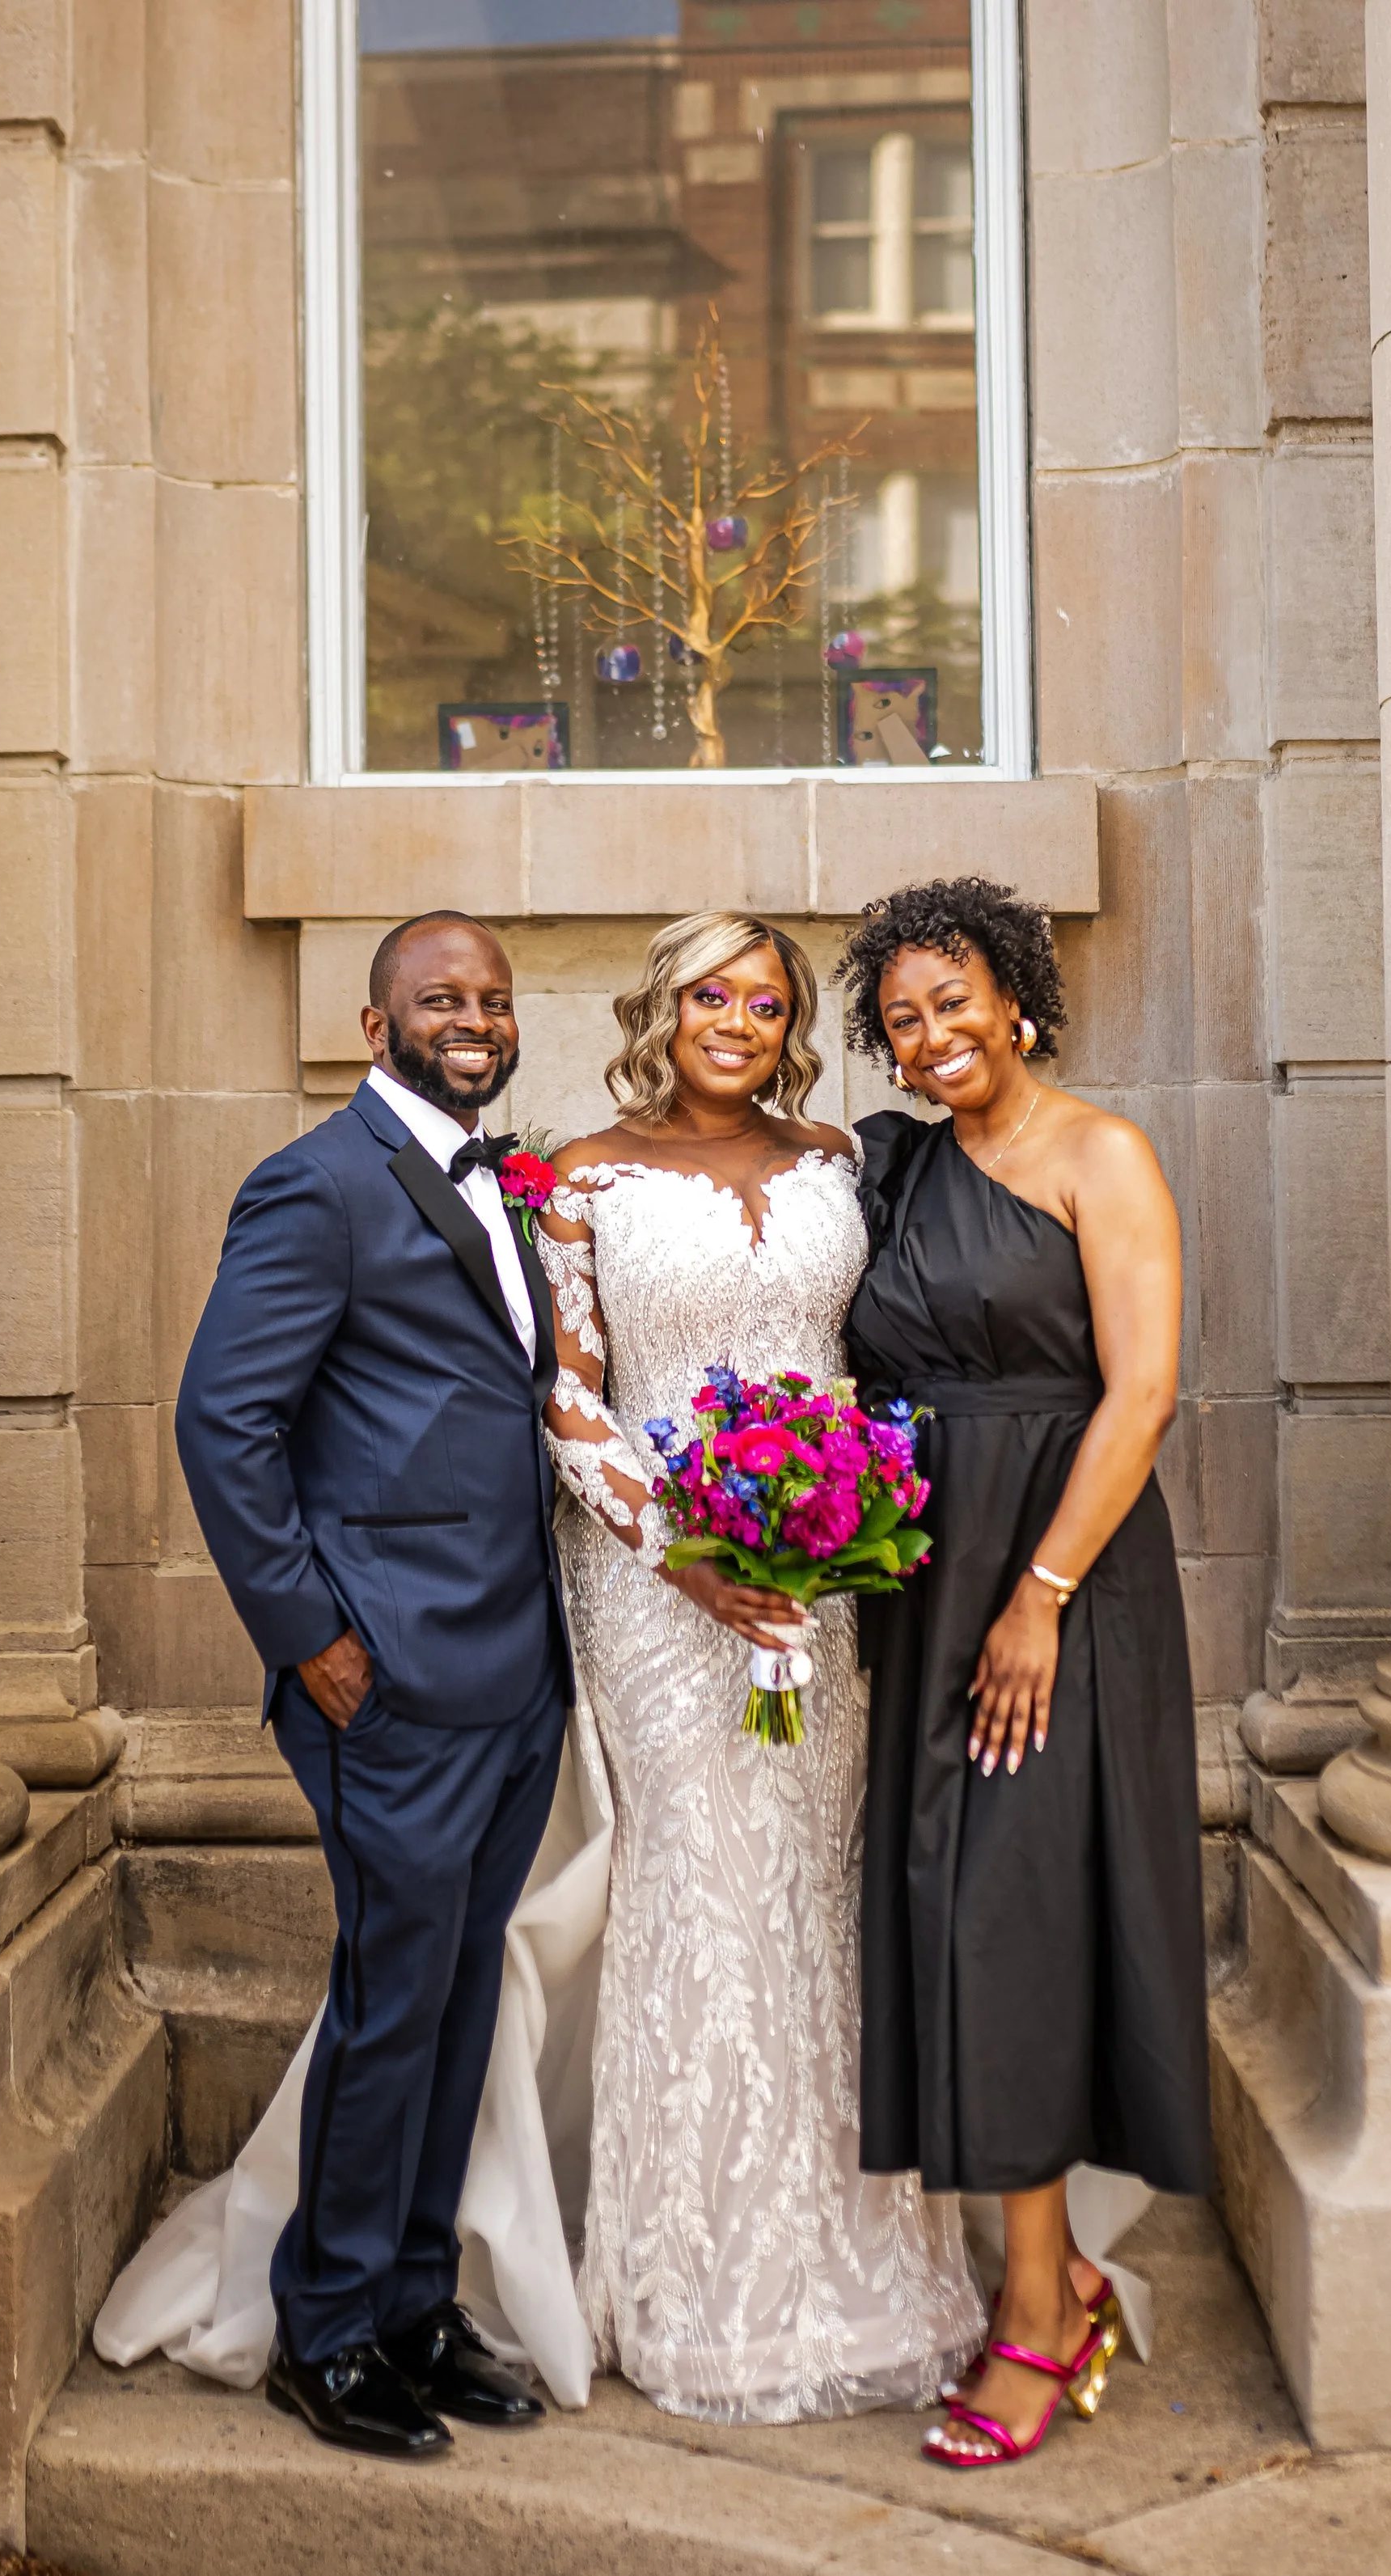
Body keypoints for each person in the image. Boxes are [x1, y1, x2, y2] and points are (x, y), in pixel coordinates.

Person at [533, 909, 983, 2420]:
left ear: (794, 1022)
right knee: (705, 1881)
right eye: (710, 992)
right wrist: (688, 1552)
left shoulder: (845, 1162)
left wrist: (858, 1520)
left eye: (766, 997)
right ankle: (690, 2282)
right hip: (661, 1586)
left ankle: (858, 2266)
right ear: (665, 1007)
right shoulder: (577, 1176)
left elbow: (878, 1358)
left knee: (816, 1886)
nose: (737, 1016)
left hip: (828, 1579)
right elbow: (571, 1399)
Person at [167, 910, 569, 2458]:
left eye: (492, 998)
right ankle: (322, 2329)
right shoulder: (317, 1185)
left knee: (458, 2004)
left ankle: (411, 2300)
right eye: (438, 996)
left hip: (516, 1673)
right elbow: (225, 1426)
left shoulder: (506, 1182)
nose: (471, 1017)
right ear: (374, 1019)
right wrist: (310, 1639)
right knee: (391, 2003)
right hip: (384, 1681)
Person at [838, 876, 1214, 2469]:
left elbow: (1140, 1396)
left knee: (1012, 1918)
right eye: (901, 1017)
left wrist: (1038, 1595)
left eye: (954, 1000)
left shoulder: (1099, 1153)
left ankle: (1036, 2314)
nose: (931, 1037)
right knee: (945, 1899)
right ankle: (1044, 2282)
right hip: (923, 1575)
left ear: (1017, 993)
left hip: (1060, 1572)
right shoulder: (891, 1166)